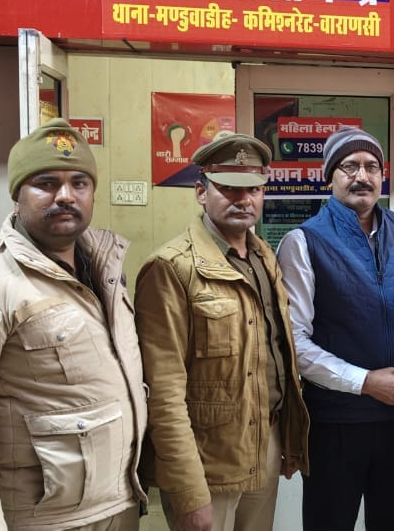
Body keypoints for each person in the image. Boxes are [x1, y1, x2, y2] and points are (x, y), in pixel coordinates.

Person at [0, 119, 147, 530]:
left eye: (79, 183)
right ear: (16, 195)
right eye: (46, 183)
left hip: (119, 504)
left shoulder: (106, 268)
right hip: (42, 519)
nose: (66, 196)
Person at [135, 131, 310, 531]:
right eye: (228, 188)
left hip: (265, 443)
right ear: (201, 192)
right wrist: (187, 489)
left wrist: (288, 438)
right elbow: (163, 392)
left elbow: (277, 355)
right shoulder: (171, 268)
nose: (243, 200)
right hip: (206, 462)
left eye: (253, 189)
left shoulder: (264, 258)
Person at [276, 126, 394, 530]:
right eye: (349, 166)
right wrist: (365, 382)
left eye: (372, 166)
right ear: (330, 177)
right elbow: (295, 342)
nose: (362, 176)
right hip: (336, 423)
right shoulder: (303, 241)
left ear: (382, 175)